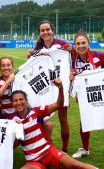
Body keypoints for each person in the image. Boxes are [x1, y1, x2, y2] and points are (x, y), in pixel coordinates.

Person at [10, 79, 97, 169]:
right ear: (12, 104)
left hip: (48, 152)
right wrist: (15, 129)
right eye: (15, 100)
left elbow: (59, 104)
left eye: (21, 99)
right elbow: (13, 145)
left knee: (77, 165)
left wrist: (60, 87)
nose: (18, 102)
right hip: (33, 160)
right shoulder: (12, 122)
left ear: (26, 100)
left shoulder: (36, 112)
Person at [70, 29, 104, 169]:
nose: (81, 46)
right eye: (78, 43)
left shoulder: (99, 55)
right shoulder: (73, 60)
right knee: (84, 123)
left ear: (88, 43)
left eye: (83, 43)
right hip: (87, 98)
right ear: (75, 46)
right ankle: (85, 149)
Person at [27, 20, 71, 152]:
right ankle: (43, 145)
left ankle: (65, 148)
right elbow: (32, 68)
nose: (45, 32)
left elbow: (72, 59)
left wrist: (72, 73)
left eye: (48, 29)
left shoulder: (63, 46)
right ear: (39, 33)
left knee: (63, 119)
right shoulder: (38, 49)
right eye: (42, 30)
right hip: (45, 88)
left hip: (61, 87)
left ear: (53, 31)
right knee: (41, 118)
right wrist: (31, 56)